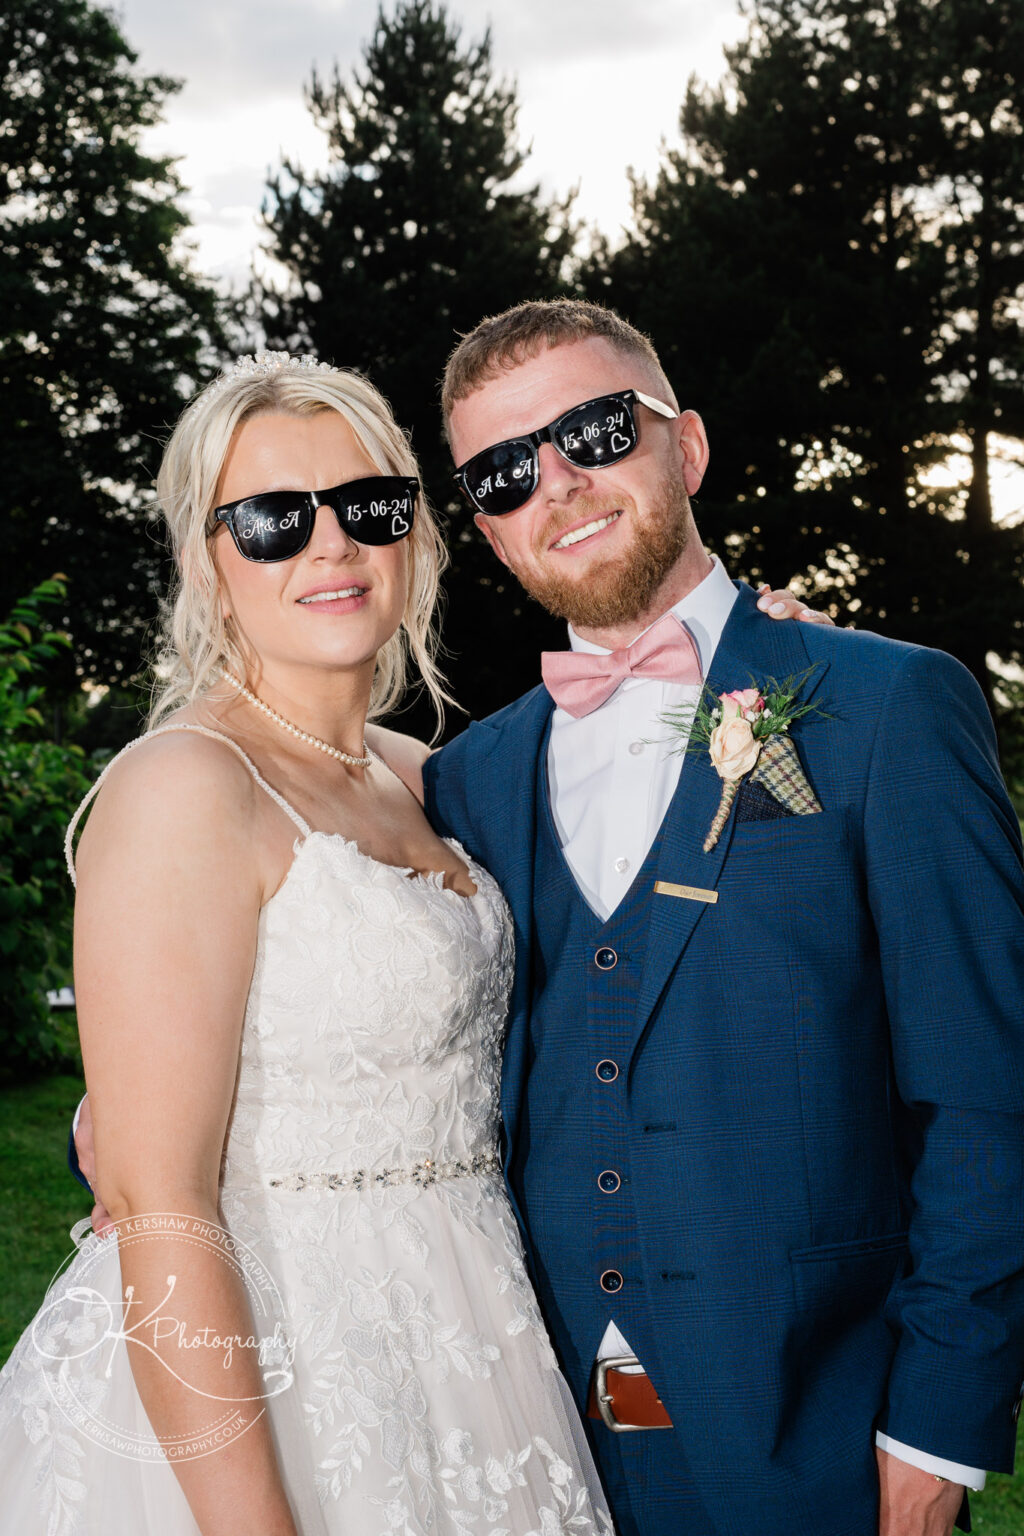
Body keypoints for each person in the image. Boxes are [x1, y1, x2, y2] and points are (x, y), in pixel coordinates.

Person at [418, 299, 1024, 1536]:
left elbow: (986, 1091)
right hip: (536, 1438)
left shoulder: (886, 705)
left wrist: (937, 1429)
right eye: (503, 470)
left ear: (684, 449)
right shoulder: (465, 780)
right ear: (483, 526)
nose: (560, 484)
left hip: (821, 1435)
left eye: (595, 429)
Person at [0, 354, 623, 1535]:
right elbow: (162, 1202)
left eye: (367, 507)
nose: (329, 546)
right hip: (267, 1375)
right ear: (206, 560)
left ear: (414, 536)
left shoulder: (427, 776)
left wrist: (761, 654)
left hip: (473, 1345)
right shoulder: (186, 785)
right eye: (274, 520)